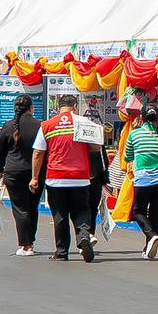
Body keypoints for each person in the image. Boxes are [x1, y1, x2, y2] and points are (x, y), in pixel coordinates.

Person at [33, 91, 102, 261]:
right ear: (75, 107)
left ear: (58, 108)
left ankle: (62, 252)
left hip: (56, 178)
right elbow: (96, 148)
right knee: (82, 210)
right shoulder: (83, 122)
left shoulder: (47, 125)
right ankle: (84, 236)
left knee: (60, 215)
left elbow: (37, 153)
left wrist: (34, 177)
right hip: (80, 178)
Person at [0, 96, 43, 256]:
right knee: (32, 206)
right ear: (31, 108)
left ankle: (26, 245)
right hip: (36, 172)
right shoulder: (39, 126)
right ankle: (31, 241)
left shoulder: (8, 126)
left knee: (20, 208)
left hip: (13, 172)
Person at [124, 102, 158, 258]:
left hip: (144, 178)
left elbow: (127, 156)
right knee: (155, 212)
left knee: (138, 211)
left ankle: (151, 236)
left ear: (142, 117)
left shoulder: (134, 134)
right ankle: (149, 248)